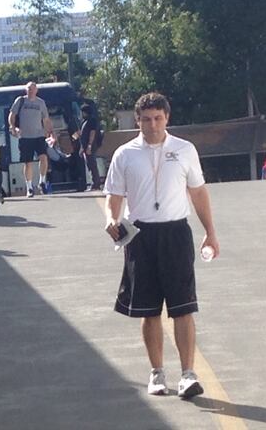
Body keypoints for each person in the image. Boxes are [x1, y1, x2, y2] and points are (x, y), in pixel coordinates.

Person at [103, 92, 219, 399]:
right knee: (148, 309)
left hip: (175, 234)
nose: (152, 125)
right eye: (146, 119)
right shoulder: (124, 154)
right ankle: (157, 373)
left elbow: (198, 193)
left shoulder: (184, 149)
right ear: (137, 121)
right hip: (140, 236)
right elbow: (114, 195)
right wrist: (111, 218)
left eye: (157, 118)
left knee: (183, 307)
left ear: (167, 118)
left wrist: (210, 232)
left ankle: (188, 374)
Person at [8, 81, 55, 197]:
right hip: (25, 136)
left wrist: (51, 132)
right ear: (26, 90)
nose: (31, 91)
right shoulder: (20, 101)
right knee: (28, 162)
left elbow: (46, 119)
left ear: (36, 90)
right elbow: (12, 115)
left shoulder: (41, 103)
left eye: (33, 89)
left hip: (39, 135)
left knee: (43, 157)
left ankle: (42, 182)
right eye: (29, 89)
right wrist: (13, 127)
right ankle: (29, 188)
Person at [78, 104, 103, 190]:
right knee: (89, 164)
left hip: (91, 146)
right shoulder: (84, 121)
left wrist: (89, 145)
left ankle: (96, 183)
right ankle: (94, 182)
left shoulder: (92, 121)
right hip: (85, 146)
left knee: (92, 164)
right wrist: (82, 147)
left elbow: (92, 133)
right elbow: (82, 134)